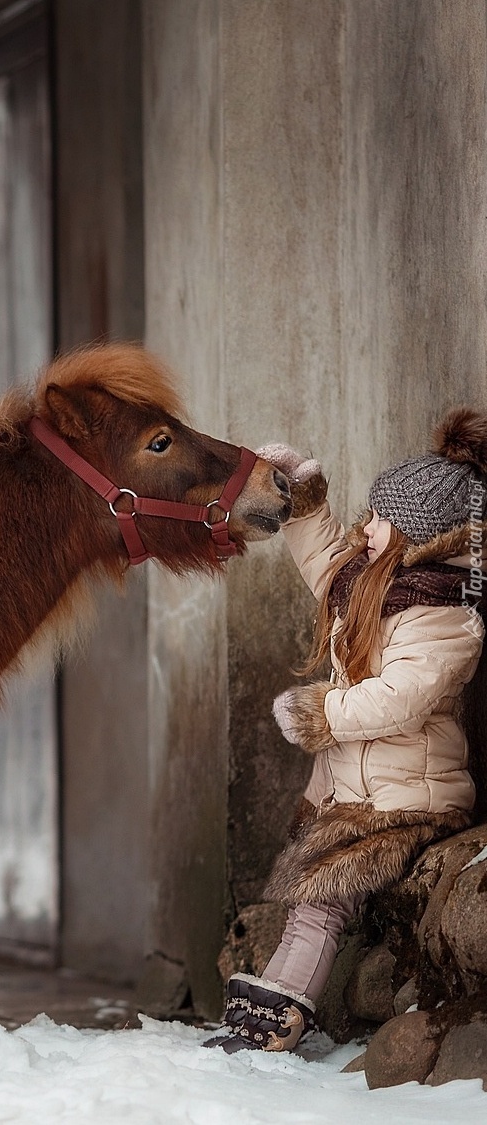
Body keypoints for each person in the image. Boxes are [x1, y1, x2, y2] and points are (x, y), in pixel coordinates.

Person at [205, 408, 487, 1054]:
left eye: (382, 519)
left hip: (409, 801)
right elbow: (328, 563)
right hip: (360, 790)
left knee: (321, 899)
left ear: (423, 537)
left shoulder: (445, 615)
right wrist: (298, 501)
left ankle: (281, 1019)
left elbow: (401, 698)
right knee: (301, 878)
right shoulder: (372, 582)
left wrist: (323, 714)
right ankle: (272, 996)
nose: (368, 527)